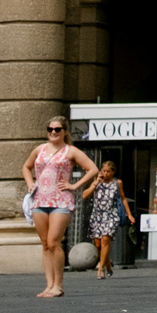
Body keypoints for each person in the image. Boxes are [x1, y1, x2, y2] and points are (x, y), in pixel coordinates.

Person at [21, 118, 96, 299]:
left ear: (65, 131)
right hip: (40, 200)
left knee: (54, 241)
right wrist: (30, 183)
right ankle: (49, 285)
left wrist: (74, 185)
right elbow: (26, 166)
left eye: (57, 129)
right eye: (50, 129)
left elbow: (93, 169)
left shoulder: (71, 151)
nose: (53, 132)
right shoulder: (40, 149)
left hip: (61, 200)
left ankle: (58, 285)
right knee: (46, 244)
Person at [85, 157, 132, 278]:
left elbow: (123, 198)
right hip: (97, 215)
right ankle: (108, 263)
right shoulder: (96, 181)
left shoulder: (117, 183)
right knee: (98, 245)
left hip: (111, 214)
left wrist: (129, 214)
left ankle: (101, 268)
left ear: (113, 172)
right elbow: (85, 195)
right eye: (104, 171)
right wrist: (95, 183)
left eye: (108, 171)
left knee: (105, 239)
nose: (106, 173)